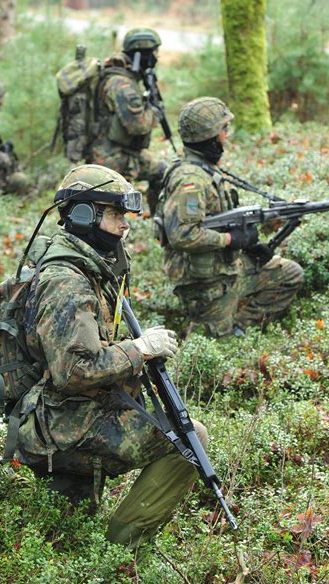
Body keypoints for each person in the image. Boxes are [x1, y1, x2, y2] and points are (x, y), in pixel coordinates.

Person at [15, 163, 207, 548]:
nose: (125, 225)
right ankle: (121, 549)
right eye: (116, 214)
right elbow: (75, 370)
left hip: (56, 411)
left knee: (66, 538)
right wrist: (138, 349)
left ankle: (76, 543)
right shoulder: (68, 282)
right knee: (190, 442)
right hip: (64, 422)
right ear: (85, 215)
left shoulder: (82, 262)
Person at [158, 97, 304, 338]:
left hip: (224, 266)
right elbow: (183, 235)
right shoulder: (190, 181)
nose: (227, 135)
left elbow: (218, 217)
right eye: (224, 129)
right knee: (214, 345)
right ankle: (216, 327)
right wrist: (230, 239)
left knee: (289, 274)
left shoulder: (205, 169)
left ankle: (240, 327)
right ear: (210, 136)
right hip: (203, 281)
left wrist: (249, 245)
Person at [91, 28, 167, 213]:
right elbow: (138, 125)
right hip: (112, 159)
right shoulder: (122, 84)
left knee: (162, 171)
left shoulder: (121, 75)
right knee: (112, 210)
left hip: (121, 152)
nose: (157, 58)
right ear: (143, 55)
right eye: (154, 53)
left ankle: (155, 221)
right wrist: (156, 112)